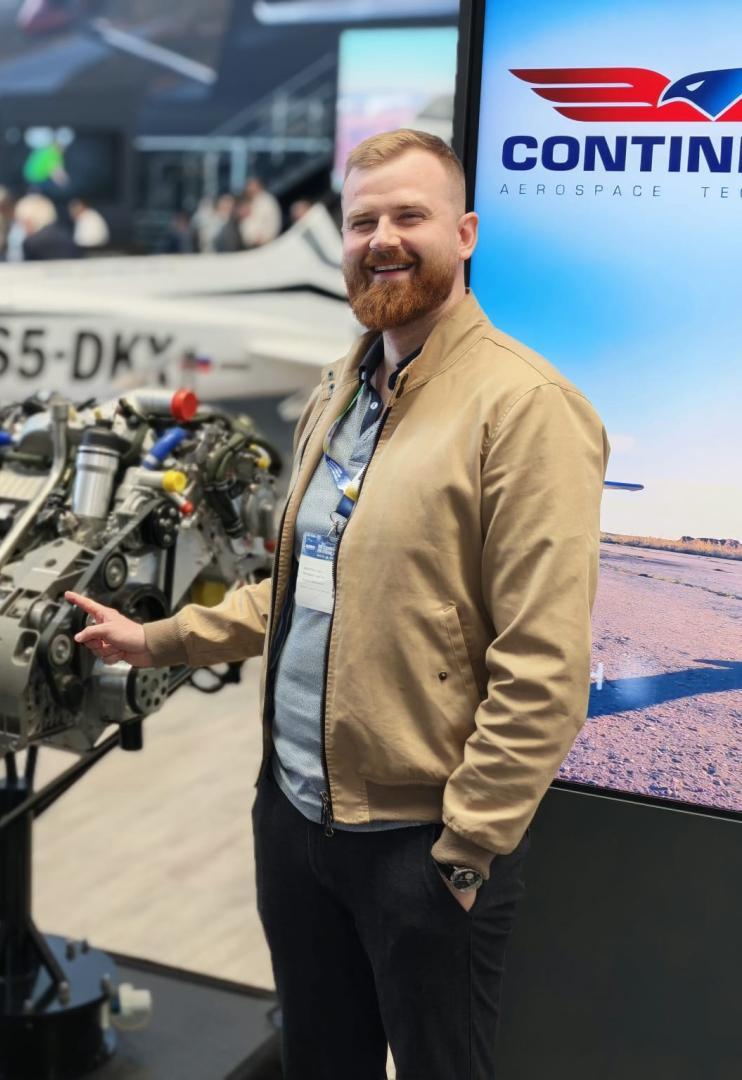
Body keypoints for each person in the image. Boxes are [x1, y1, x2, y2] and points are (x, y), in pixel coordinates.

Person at [66, 128, 607, 1080]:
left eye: (409, 216)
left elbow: (545, 667)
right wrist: (159, 639)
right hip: (294, 819)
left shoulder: (525, 407)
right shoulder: (342, 389)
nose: (381, 239)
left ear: (465, 234)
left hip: (419, 847)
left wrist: (466, 850)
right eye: (362, 222)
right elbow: (304, 582)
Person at [239, 175, 282, 247]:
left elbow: (272, 220)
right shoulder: (249, 203)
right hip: (256, 245)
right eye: (248, 187)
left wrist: (265, 236)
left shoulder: (267, 200)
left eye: (252, 186)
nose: (250, 189)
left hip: (270, 241)